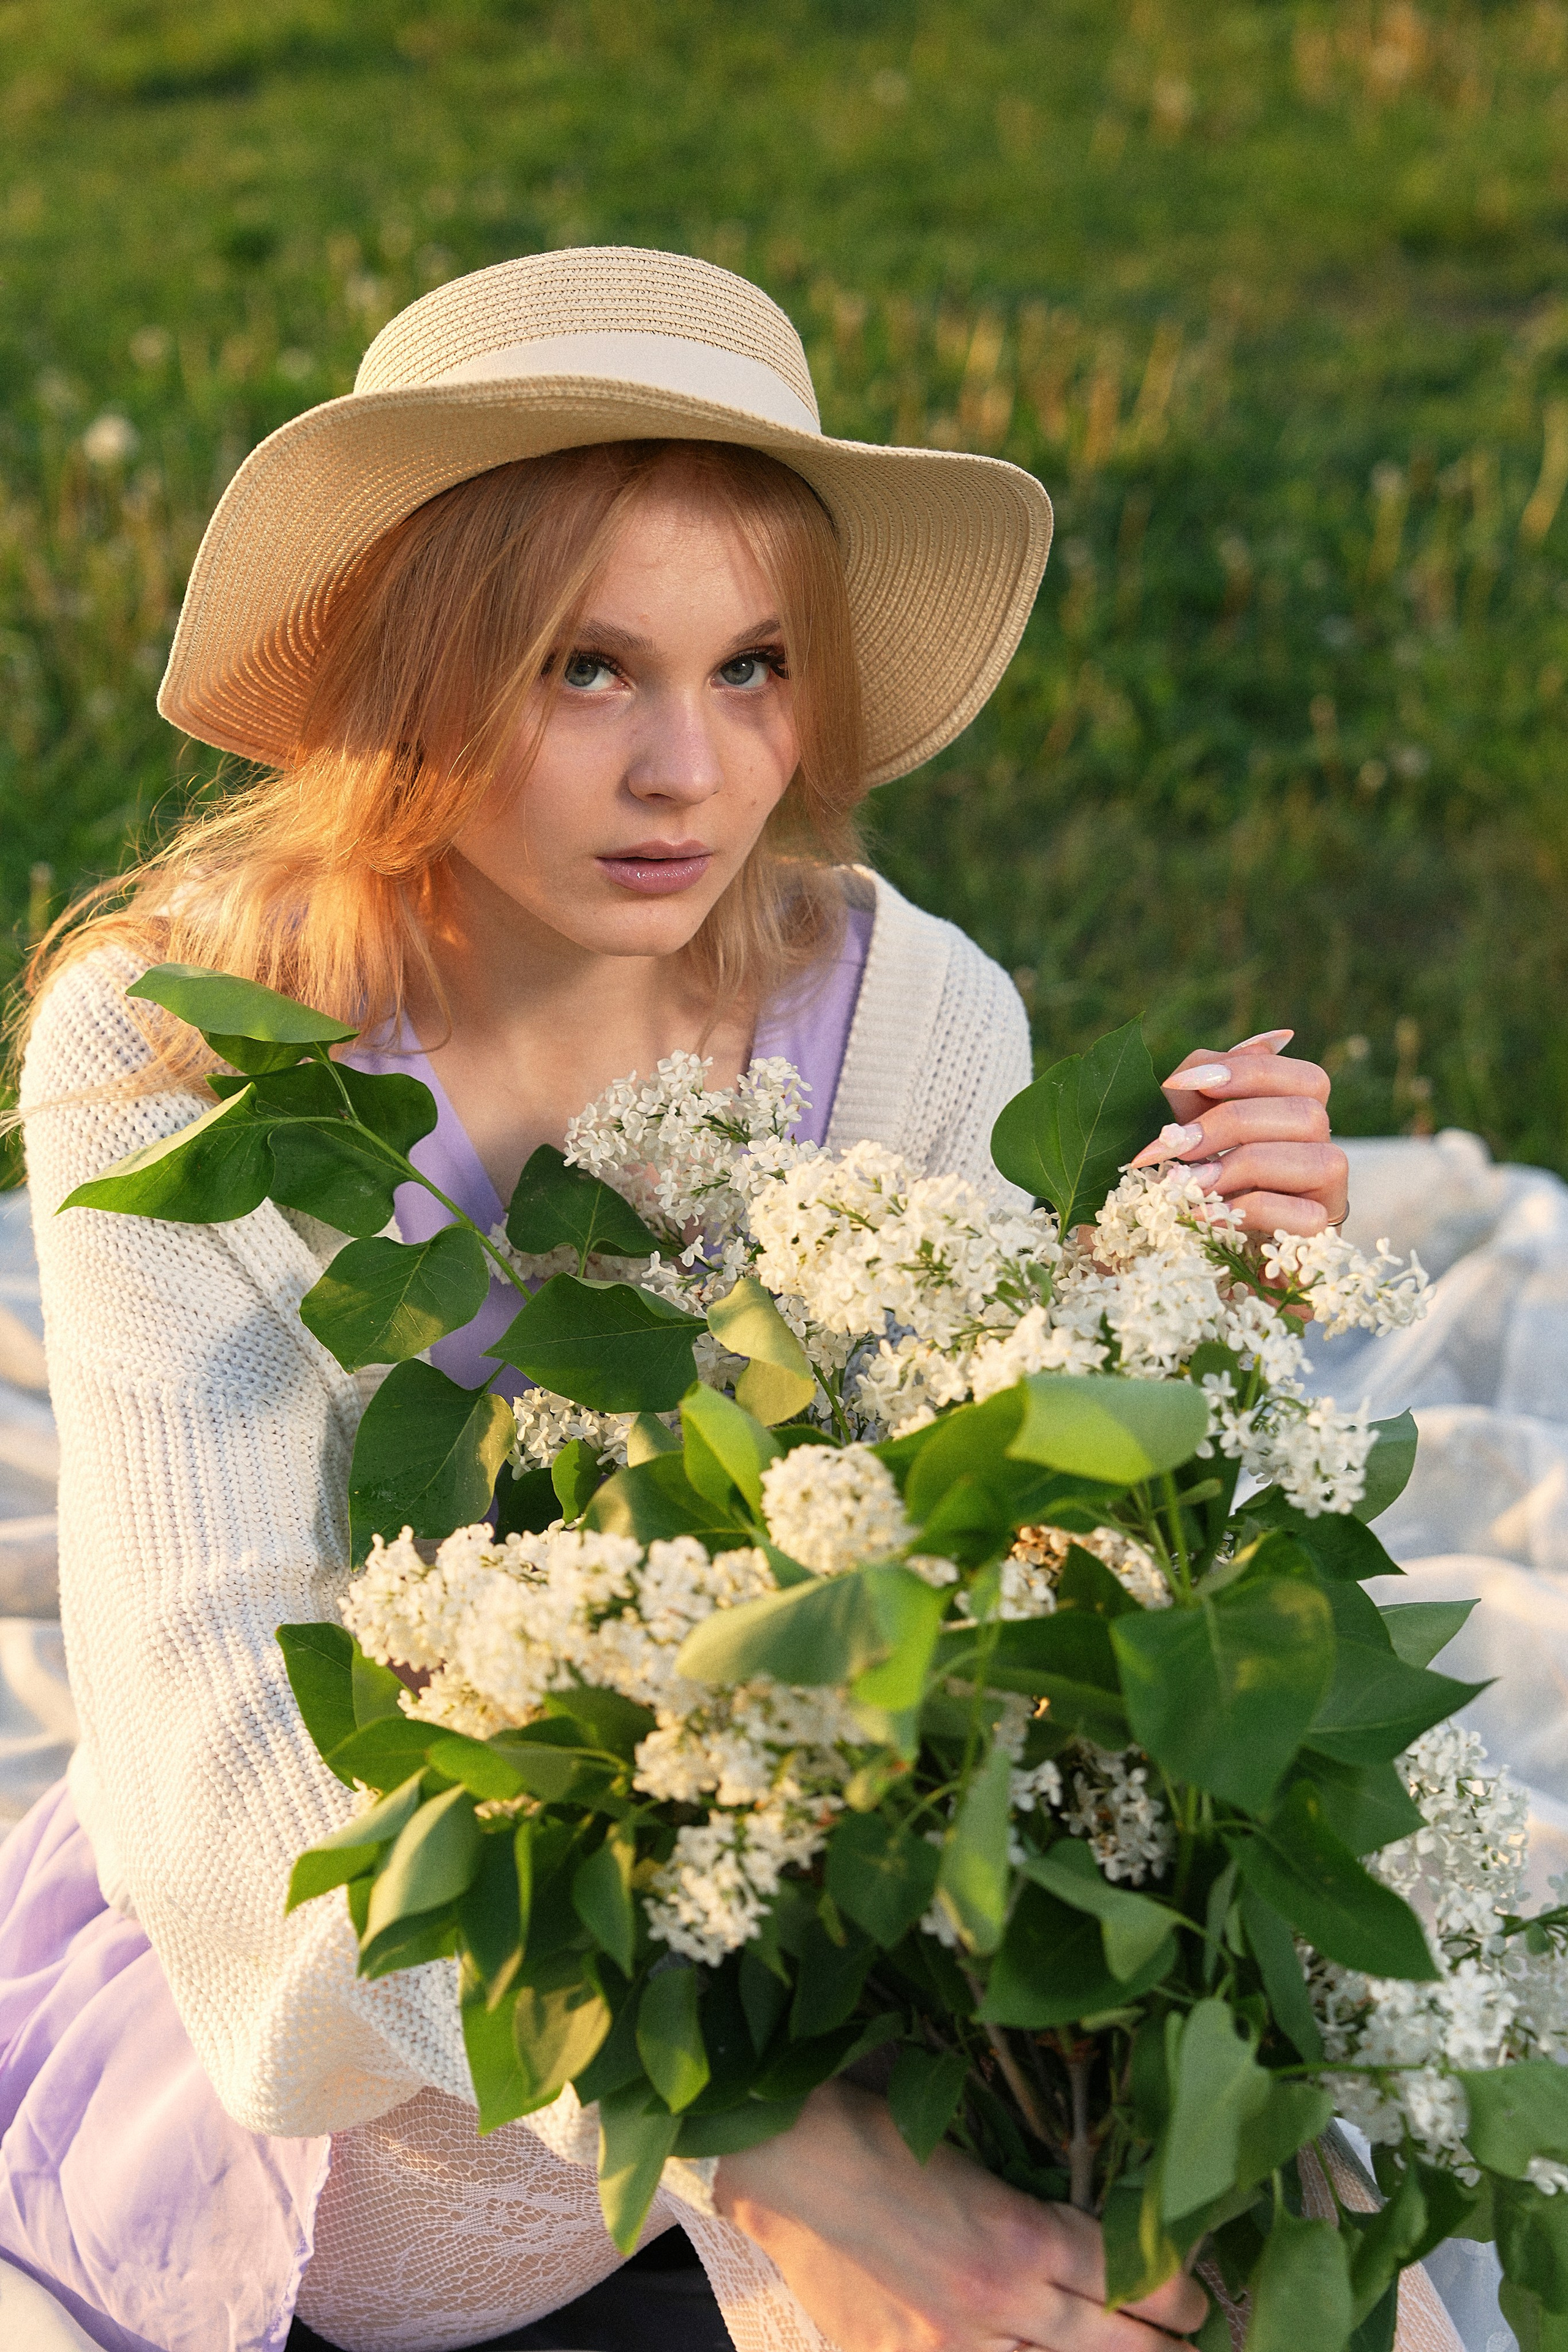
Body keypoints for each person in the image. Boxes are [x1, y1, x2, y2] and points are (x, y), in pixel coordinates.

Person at [0, 247, 1346, 2352]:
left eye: (753, 669)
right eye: (584, 669)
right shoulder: (171, 1054)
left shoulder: (912, 1007)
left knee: (1229, 2162)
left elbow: (949, 1600)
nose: (691, 777)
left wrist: (1157, 1322)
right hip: (392, 1958)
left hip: (802, 1848)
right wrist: (767, 2150)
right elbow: (218, 1750)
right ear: (411, 671)